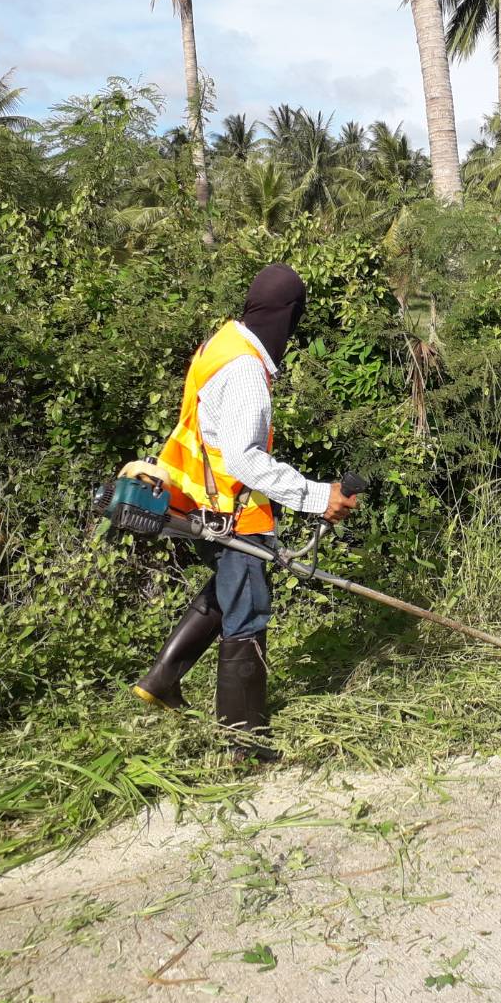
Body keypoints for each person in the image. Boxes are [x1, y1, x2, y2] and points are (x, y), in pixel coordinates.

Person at [133, 263, 357, 760]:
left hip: (209, 502)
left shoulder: (222, 345)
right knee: (247, 613)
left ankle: (162, 678)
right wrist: (319, 496)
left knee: (225, 593)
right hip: (234, 511)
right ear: (287, 314)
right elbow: (243, 457)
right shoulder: (246, 372)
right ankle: (245, 743)